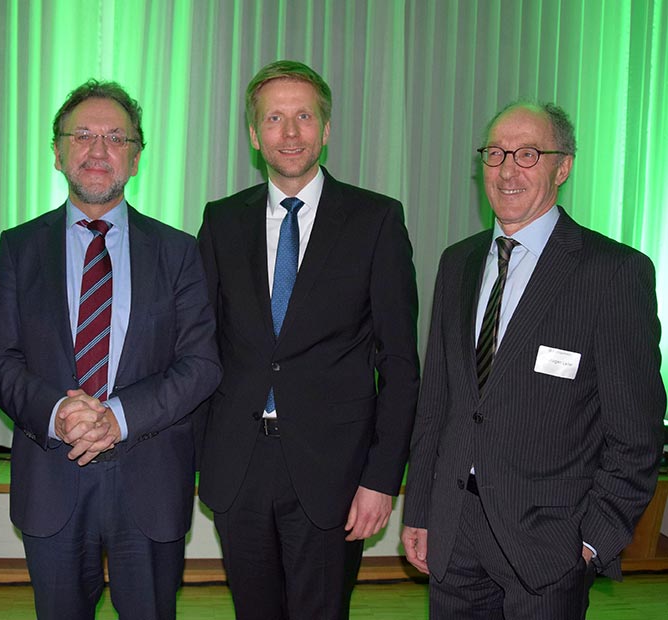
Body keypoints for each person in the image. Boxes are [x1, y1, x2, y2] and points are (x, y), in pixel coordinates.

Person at [401, 102, 666, 619]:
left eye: (528, 154)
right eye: (495, 153)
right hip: (456, 531)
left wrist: (594, 538)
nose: (506, 169)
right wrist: (421, 512)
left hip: (551, 544)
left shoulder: (612, 274)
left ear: (562, 167)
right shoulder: (458, 263)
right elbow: (438, 403)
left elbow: (636, 432)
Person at [0, 79, 221, 620]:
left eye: (116, 138)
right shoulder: (19, 247)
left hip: (150, 481)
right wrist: (58, 411)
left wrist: (117, 417)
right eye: (82, 134)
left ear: (135, 158)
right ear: (58, 152)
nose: (97, 149)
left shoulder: (178, 251)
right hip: (51, 478)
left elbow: (201, 364)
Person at [196, 60, 420, 619]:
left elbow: (399, 363)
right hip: (239, 463)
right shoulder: (221, 222)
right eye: (274, 118)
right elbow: (200, 346)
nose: (290, 133)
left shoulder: (376, 220)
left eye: (303, 116)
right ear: (254, 134)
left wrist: (381, 478)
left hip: (334, 471)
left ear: (326, 128)